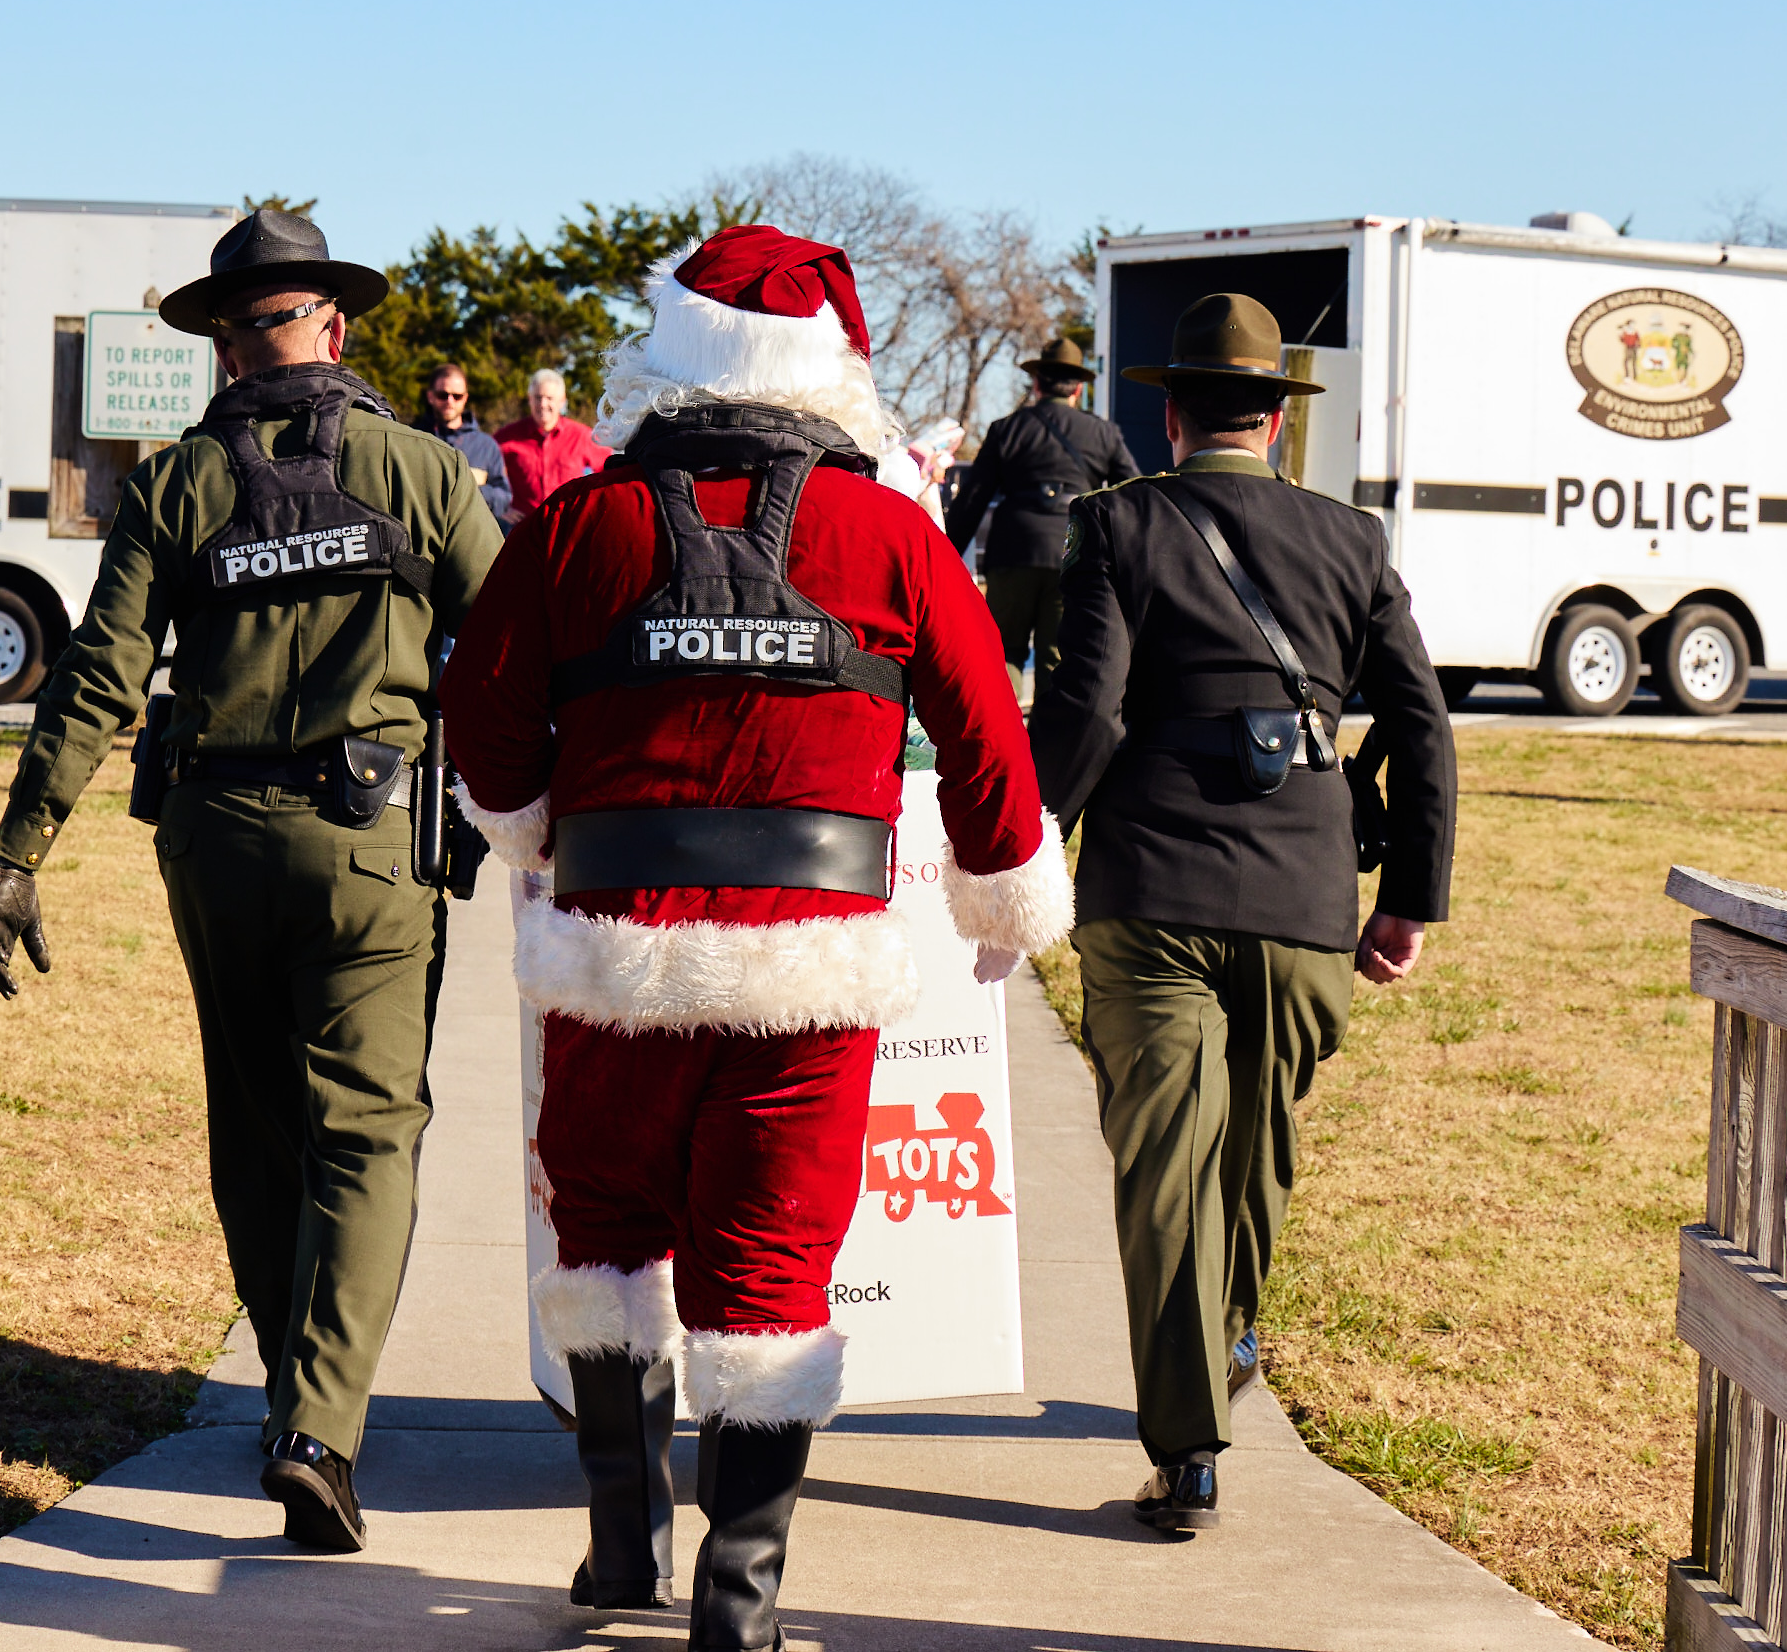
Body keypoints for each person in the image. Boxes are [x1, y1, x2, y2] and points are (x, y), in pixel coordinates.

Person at [442, 224, 1070, 1646]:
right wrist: (1004, 891)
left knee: (601, 1241)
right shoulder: (893, 533)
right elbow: (987, 739)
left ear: (668, 359)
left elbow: (479, 719)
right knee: (771, 1266)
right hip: (812, 976)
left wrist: (538, 820)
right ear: (828, 373)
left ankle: (620, 1550)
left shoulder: (576, 526)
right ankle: (741, 1602)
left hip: (610, 960)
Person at [0, 208, 500, 1553]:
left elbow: (98, 677)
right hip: (375, 847)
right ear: (334, 325)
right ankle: (322, 1424)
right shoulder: (422, 470)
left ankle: (287, 1398)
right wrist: (526, 816)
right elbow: (510, 652)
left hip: (215, 840)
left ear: (225, 345)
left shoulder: (174, 484)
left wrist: (18, 849)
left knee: (259, 1130)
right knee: (368, 1129)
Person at [1027, 292, 1455, 1536]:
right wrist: (1409, 898)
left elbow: (1089, 710)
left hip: (1148, 887)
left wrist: (1024, 843)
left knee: (1166, 1168)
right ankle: (1217, 1352)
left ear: (1170, 414)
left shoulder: (1113, 526)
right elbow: (1420, 723)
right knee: (1255, 1151)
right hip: (1303, 895)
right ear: (1275, 417)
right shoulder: (1355, 541)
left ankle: (1186, 1446)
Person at [945, 337, 1139, 704]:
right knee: (1058, 656)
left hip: (1012, 549)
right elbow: (1130, 495)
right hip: (1073, 552)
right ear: (1078, 389)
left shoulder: (1006, 428)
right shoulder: (1103, 433)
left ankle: (1007, 744)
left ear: (1037, 383)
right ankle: (1050, 751)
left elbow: (972, 499)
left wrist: (946, 554)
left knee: (1004, 652)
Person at [494, 366, 611, 525]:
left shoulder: (582, 436)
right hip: (522, 530)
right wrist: (499, 509)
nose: (542, 404)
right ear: (529, 399)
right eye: (537, 397)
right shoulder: (507, 437)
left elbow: (609, 473)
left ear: (562, 401)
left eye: (549, 398)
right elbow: (485, 475)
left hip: (567, 527)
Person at [416, 362, 513, 527]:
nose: (450, 401)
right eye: (442, 395)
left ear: (465, 398)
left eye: (457, 396)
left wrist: (466, 492)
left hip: (472, 534)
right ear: (430, 396)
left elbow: (503, 497)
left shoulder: (486, 445)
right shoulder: (414, 438)